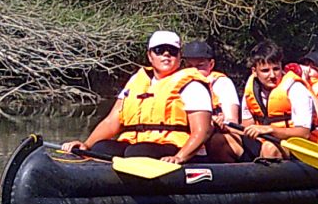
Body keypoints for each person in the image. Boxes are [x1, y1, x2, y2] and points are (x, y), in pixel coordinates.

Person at [63, 30, 214, 165]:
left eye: (172, 51)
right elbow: (111, 122)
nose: (166, 55)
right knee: (102, 148)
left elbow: (203, 130)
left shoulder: (192, 85)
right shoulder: (136, 82)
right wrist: (86, 145)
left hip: (176, 147)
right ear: (150, 55)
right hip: (137, 144)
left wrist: (180, 157)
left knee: (138, 153)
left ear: (179, 56)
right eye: (159, 50)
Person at [238, 39, 315, 159]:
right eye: (265, 71)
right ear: (254, 71)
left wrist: (270, 129)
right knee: (220, 141)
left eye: (276, 69)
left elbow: (303, 133)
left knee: (270, 148)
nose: (272, 75)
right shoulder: (251, 90)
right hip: (262, 141)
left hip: (294, 145)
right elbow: (246, 127)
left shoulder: (296, 89)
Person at [180, 39, 251, 163]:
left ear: (211, 64)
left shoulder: (222, 83)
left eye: (199, 66)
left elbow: (232, 122)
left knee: (218, 140)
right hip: (187, 137)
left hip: (217, 137)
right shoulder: (178, 83)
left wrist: (218, 122)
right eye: (189, 66)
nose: (194, 71)